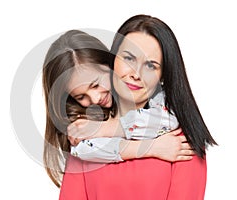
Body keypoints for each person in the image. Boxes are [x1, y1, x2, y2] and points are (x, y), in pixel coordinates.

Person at [58, 15, 217, 200]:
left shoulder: (180, 142)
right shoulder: (86, 135)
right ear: (112, 61)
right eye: (128, 58)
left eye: (151, 65)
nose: (136, 73)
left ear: (162, 75)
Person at [42, 28, 194, 192]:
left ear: (111, 64)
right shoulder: (85, 120)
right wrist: (152, 147)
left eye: (95, 84)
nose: (94, 99)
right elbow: (83, 150)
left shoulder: (160, 99)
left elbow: (167, 120)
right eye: (80, 97)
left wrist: (105, 129)